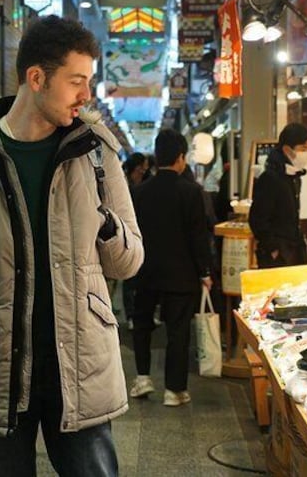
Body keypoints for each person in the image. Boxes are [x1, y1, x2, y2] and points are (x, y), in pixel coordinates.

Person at [0, 15, 144, 477]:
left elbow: (130, 261)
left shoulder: (96, 152)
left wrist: (103, 226)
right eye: (77, 81)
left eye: (90, 82)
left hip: (79, 365)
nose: (87, 95)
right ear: (37, 78)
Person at [129, 129, 213, 407]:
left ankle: (142, 377)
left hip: (143, 271)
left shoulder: (139, 192)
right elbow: (198, 236)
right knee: (177, 330)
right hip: (181, 274)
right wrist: (205, 271)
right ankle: (174, 390)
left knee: (141, 326)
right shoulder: (191, 192)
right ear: (180, 157)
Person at [248, 122, 307, 268]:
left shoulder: (295, 176)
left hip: (293, 249)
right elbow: (257, 219)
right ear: (287, 149)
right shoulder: (270, 178)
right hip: (278, 254)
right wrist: (273, 249)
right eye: (303, 148)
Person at [119, 152, 149, 328]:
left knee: (141, 276)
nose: (145, 169)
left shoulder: (144, 183)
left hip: (141, 233)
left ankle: (140, 315)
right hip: (125, 234)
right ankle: (130, 315)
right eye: (143, 166)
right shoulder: (122, 183)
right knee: (129, 279)